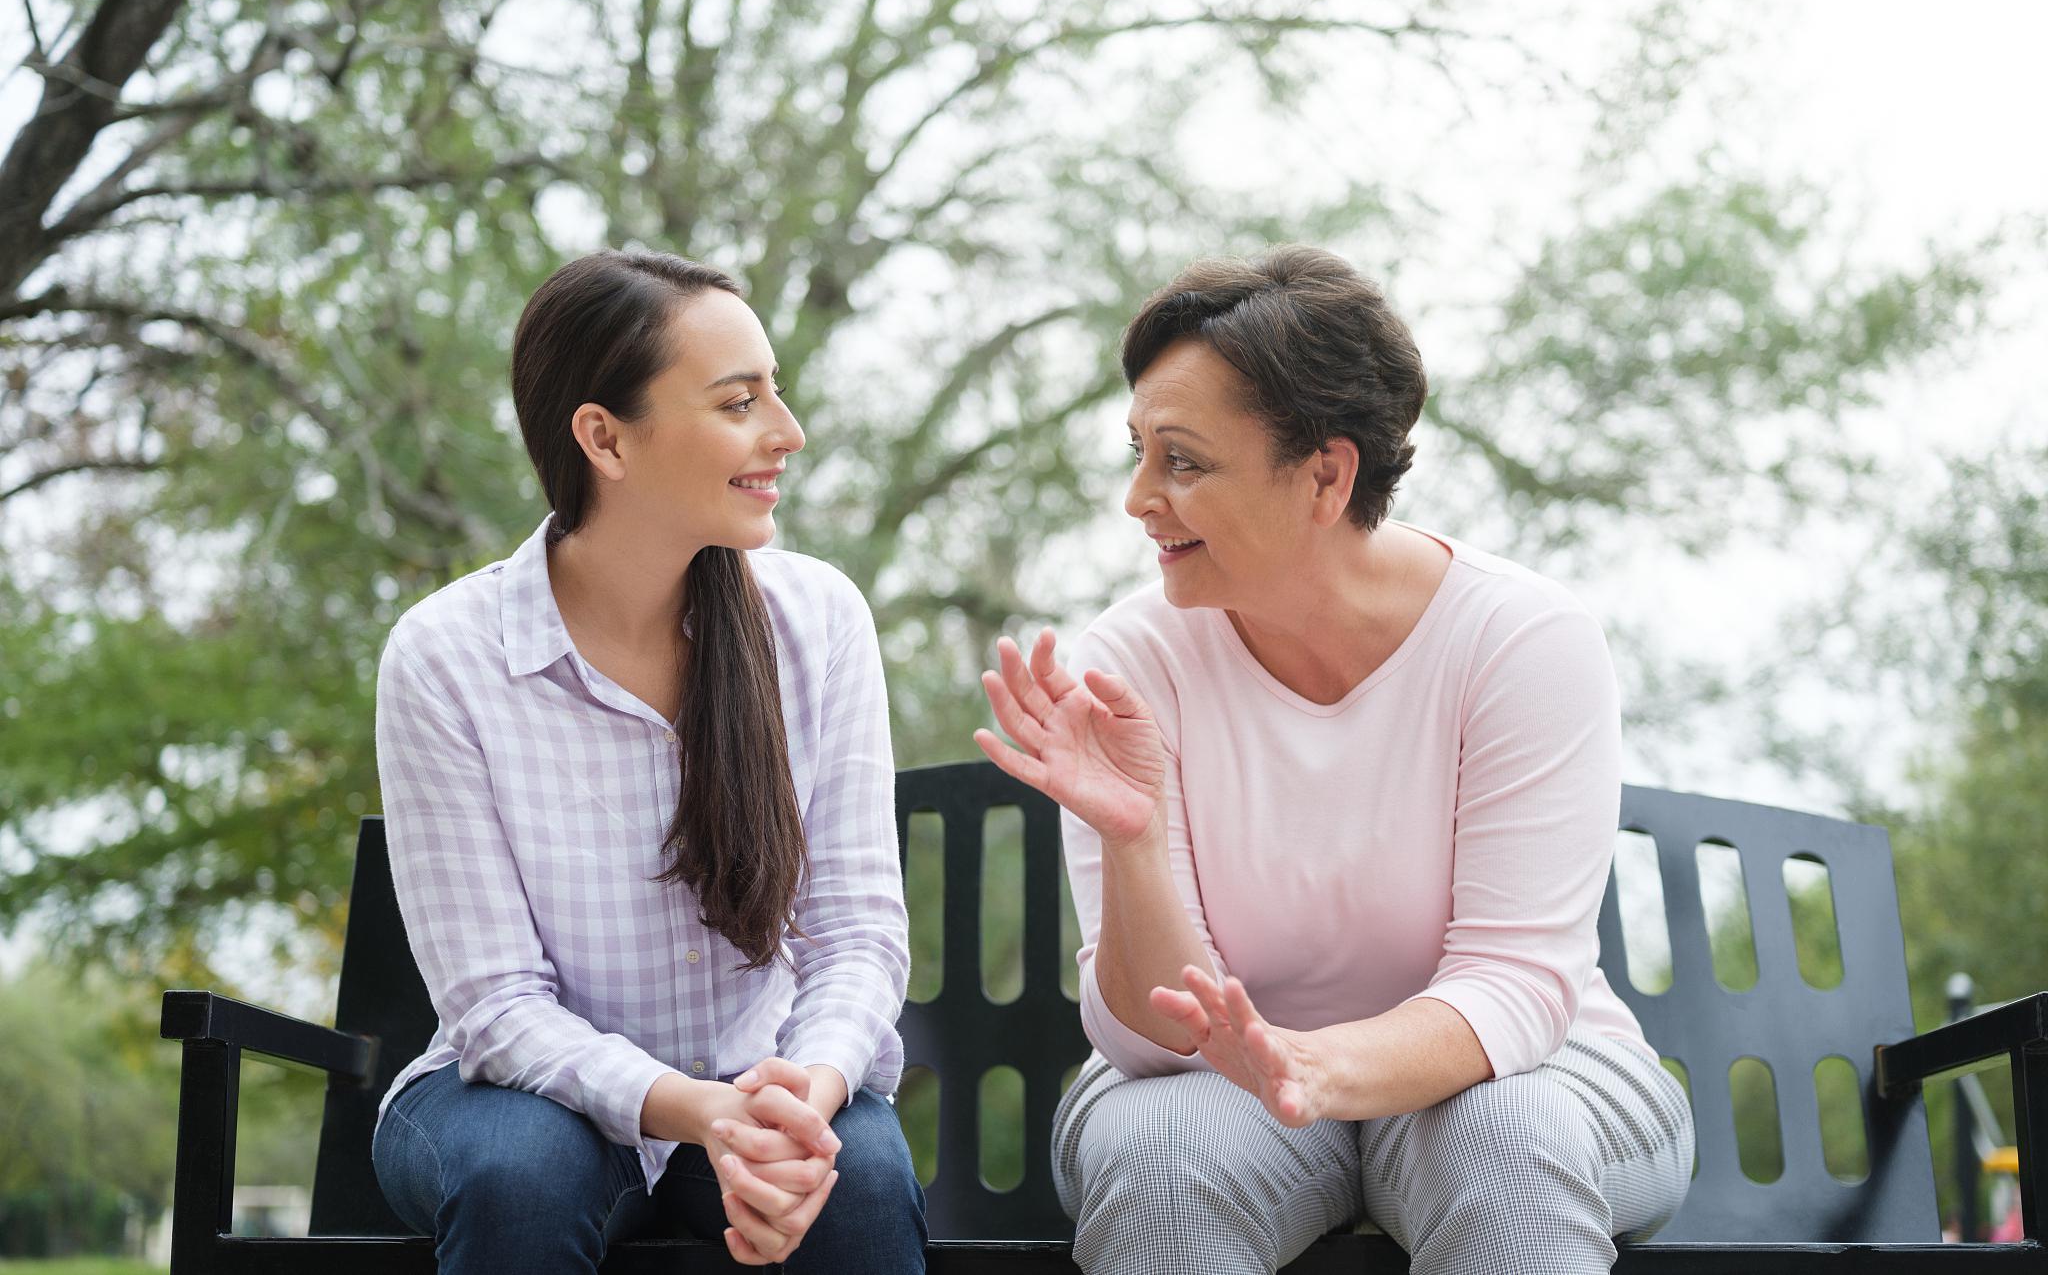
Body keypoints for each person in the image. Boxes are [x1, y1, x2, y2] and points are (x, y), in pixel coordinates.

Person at [974, 246, 1694, 1275]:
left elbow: (1511, 986)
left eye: (1181, 461)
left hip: (1517, 1071)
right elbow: (1148, 1042)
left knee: (1503, 1144)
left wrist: (1317, 1064)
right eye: (1133, 452)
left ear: (1324, 473)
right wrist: (1133, 840)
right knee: (1157, 1153)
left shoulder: (1521, 640)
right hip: (1221, 1094)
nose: (1137, 498)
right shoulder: (1130, 662)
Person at [369, 249, 926, 1272]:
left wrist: (801, 1094)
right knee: (520, 1178)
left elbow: (856, 934)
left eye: (776, 391)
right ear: (603, 439)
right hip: (519, 1095)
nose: (784, 433)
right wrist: (690, 1108)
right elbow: (495, 1006)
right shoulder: (445, 657)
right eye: (736, 401)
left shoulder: (817, 622)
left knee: (861, 1185)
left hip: (763, 1072)